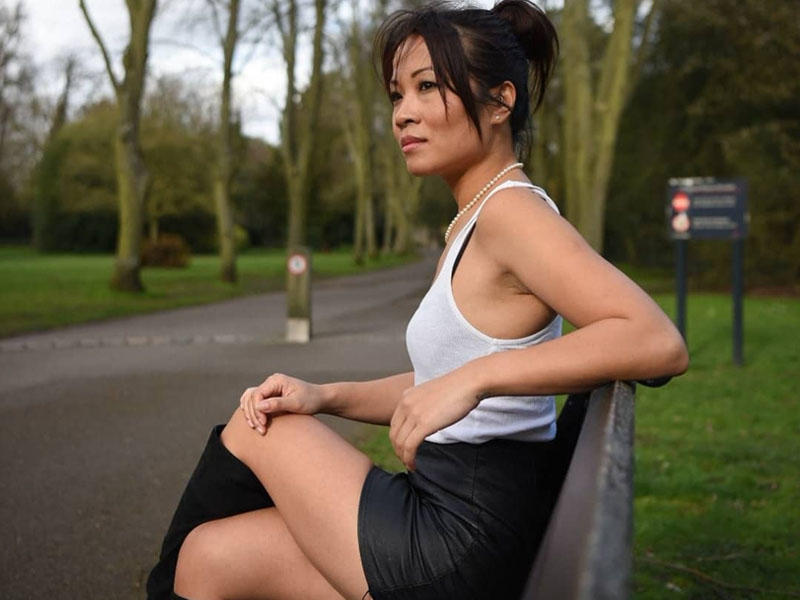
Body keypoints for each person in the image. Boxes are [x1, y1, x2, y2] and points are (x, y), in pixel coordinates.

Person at [146, 1, 689, 599]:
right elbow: (438, 381)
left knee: (257, 430)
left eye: (427, 87)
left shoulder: (512, 214)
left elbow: (655, 340)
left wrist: (475, 379)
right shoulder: (474, 221)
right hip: (454, 519)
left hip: (459, 543)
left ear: (500, 102)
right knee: (210, 556)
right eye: (396, 94)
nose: (403, 113)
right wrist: (325, 395)